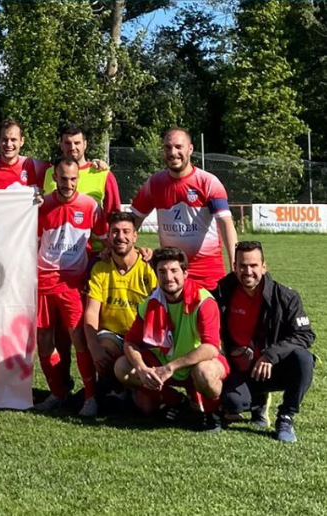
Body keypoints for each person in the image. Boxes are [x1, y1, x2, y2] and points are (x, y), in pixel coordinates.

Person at [114, 247, 229, 432]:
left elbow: (211, 348)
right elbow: (130, 342)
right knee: (122, 368)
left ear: (185, 273)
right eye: (162, 271)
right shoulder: (151, 302)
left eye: (174, 271)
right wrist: (142, 369)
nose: (168, 277)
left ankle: (212, 414)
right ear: (156, 275)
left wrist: (170, 367)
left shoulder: (204, 301)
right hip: (164, 364)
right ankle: (178, 401)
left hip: (195, 364)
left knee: (206, 373)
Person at [212, 241, 316, 442]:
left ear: (264, 266)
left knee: (303, 360)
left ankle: (286, 416)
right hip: (242, 368)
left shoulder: (285, 296)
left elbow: (305, 335)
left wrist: (271, 355)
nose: (248, 271)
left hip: (273, 367)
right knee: (232, 403)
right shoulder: (222, 293)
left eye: (253, 266)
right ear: (234, 267)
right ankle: (258, 402)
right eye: (242, 266)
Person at [33, 158, 107, 417]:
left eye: (73, 179)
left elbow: (104, 241)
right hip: (42, 281)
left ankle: (90, 397)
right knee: (43, 340)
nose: (68, 184)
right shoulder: (42, 206)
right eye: (63, 179)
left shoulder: (90, 206)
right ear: (55, 178)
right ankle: (58, 392)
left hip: (73, 284)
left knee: (79, 338)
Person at [130, 128, 238, 290]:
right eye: (168, 147)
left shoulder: (208, 182)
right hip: (170, 274)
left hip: (207, 275)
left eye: (179, 147)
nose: (173, 153)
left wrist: (235, 266)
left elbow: (226, 224)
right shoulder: (154, 184)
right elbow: (133, 221)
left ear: (190, 149)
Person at [84, 212, 157, 387]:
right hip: (113, 334)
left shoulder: (150, 265)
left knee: (146, 407)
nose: (120, 237)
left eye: (126, 231)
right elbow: (92, 310)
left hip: (144, 337)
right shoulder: (99, 265)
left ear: (135, 235)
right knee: (104, 350)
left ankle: (136, 393)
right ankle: (110, 390)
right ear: (108, 235)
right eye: (115, 232)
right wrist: (94, 346)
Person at [42, 124, 119, 253]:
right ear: (61, 145)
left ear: (85, 144)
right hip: (54, 251)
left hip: (94, 251)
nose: (72, 148)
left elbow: (115, 215)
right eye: (67, 143)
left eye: (77, 143)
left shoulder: (102, 174)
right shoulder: (48, 173)